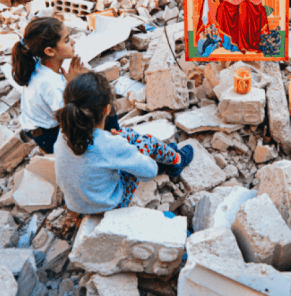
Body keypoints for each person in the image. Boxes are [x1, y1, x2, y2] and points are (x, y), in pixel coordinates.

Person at [54, 72, 194, 214]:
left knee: (125, 134)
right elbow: (150, 172)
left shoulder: (63, 133)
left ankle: (164, 157)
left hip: (75, 204)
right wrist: (124, 147)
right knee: (147, 142)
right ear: (107, 109)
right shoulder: (110, 145)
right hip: (109, 205)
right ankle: (177, 160)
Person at [13, 17, 89, 154]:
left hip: (38, 129)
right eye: (66, 40)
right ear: (49, 51)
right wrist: (75, 84)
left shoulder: (42, 65)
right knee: (98, 116)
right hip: (47, 136)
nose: (73, 42)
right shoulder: (49, 83)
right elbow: (70, 118)